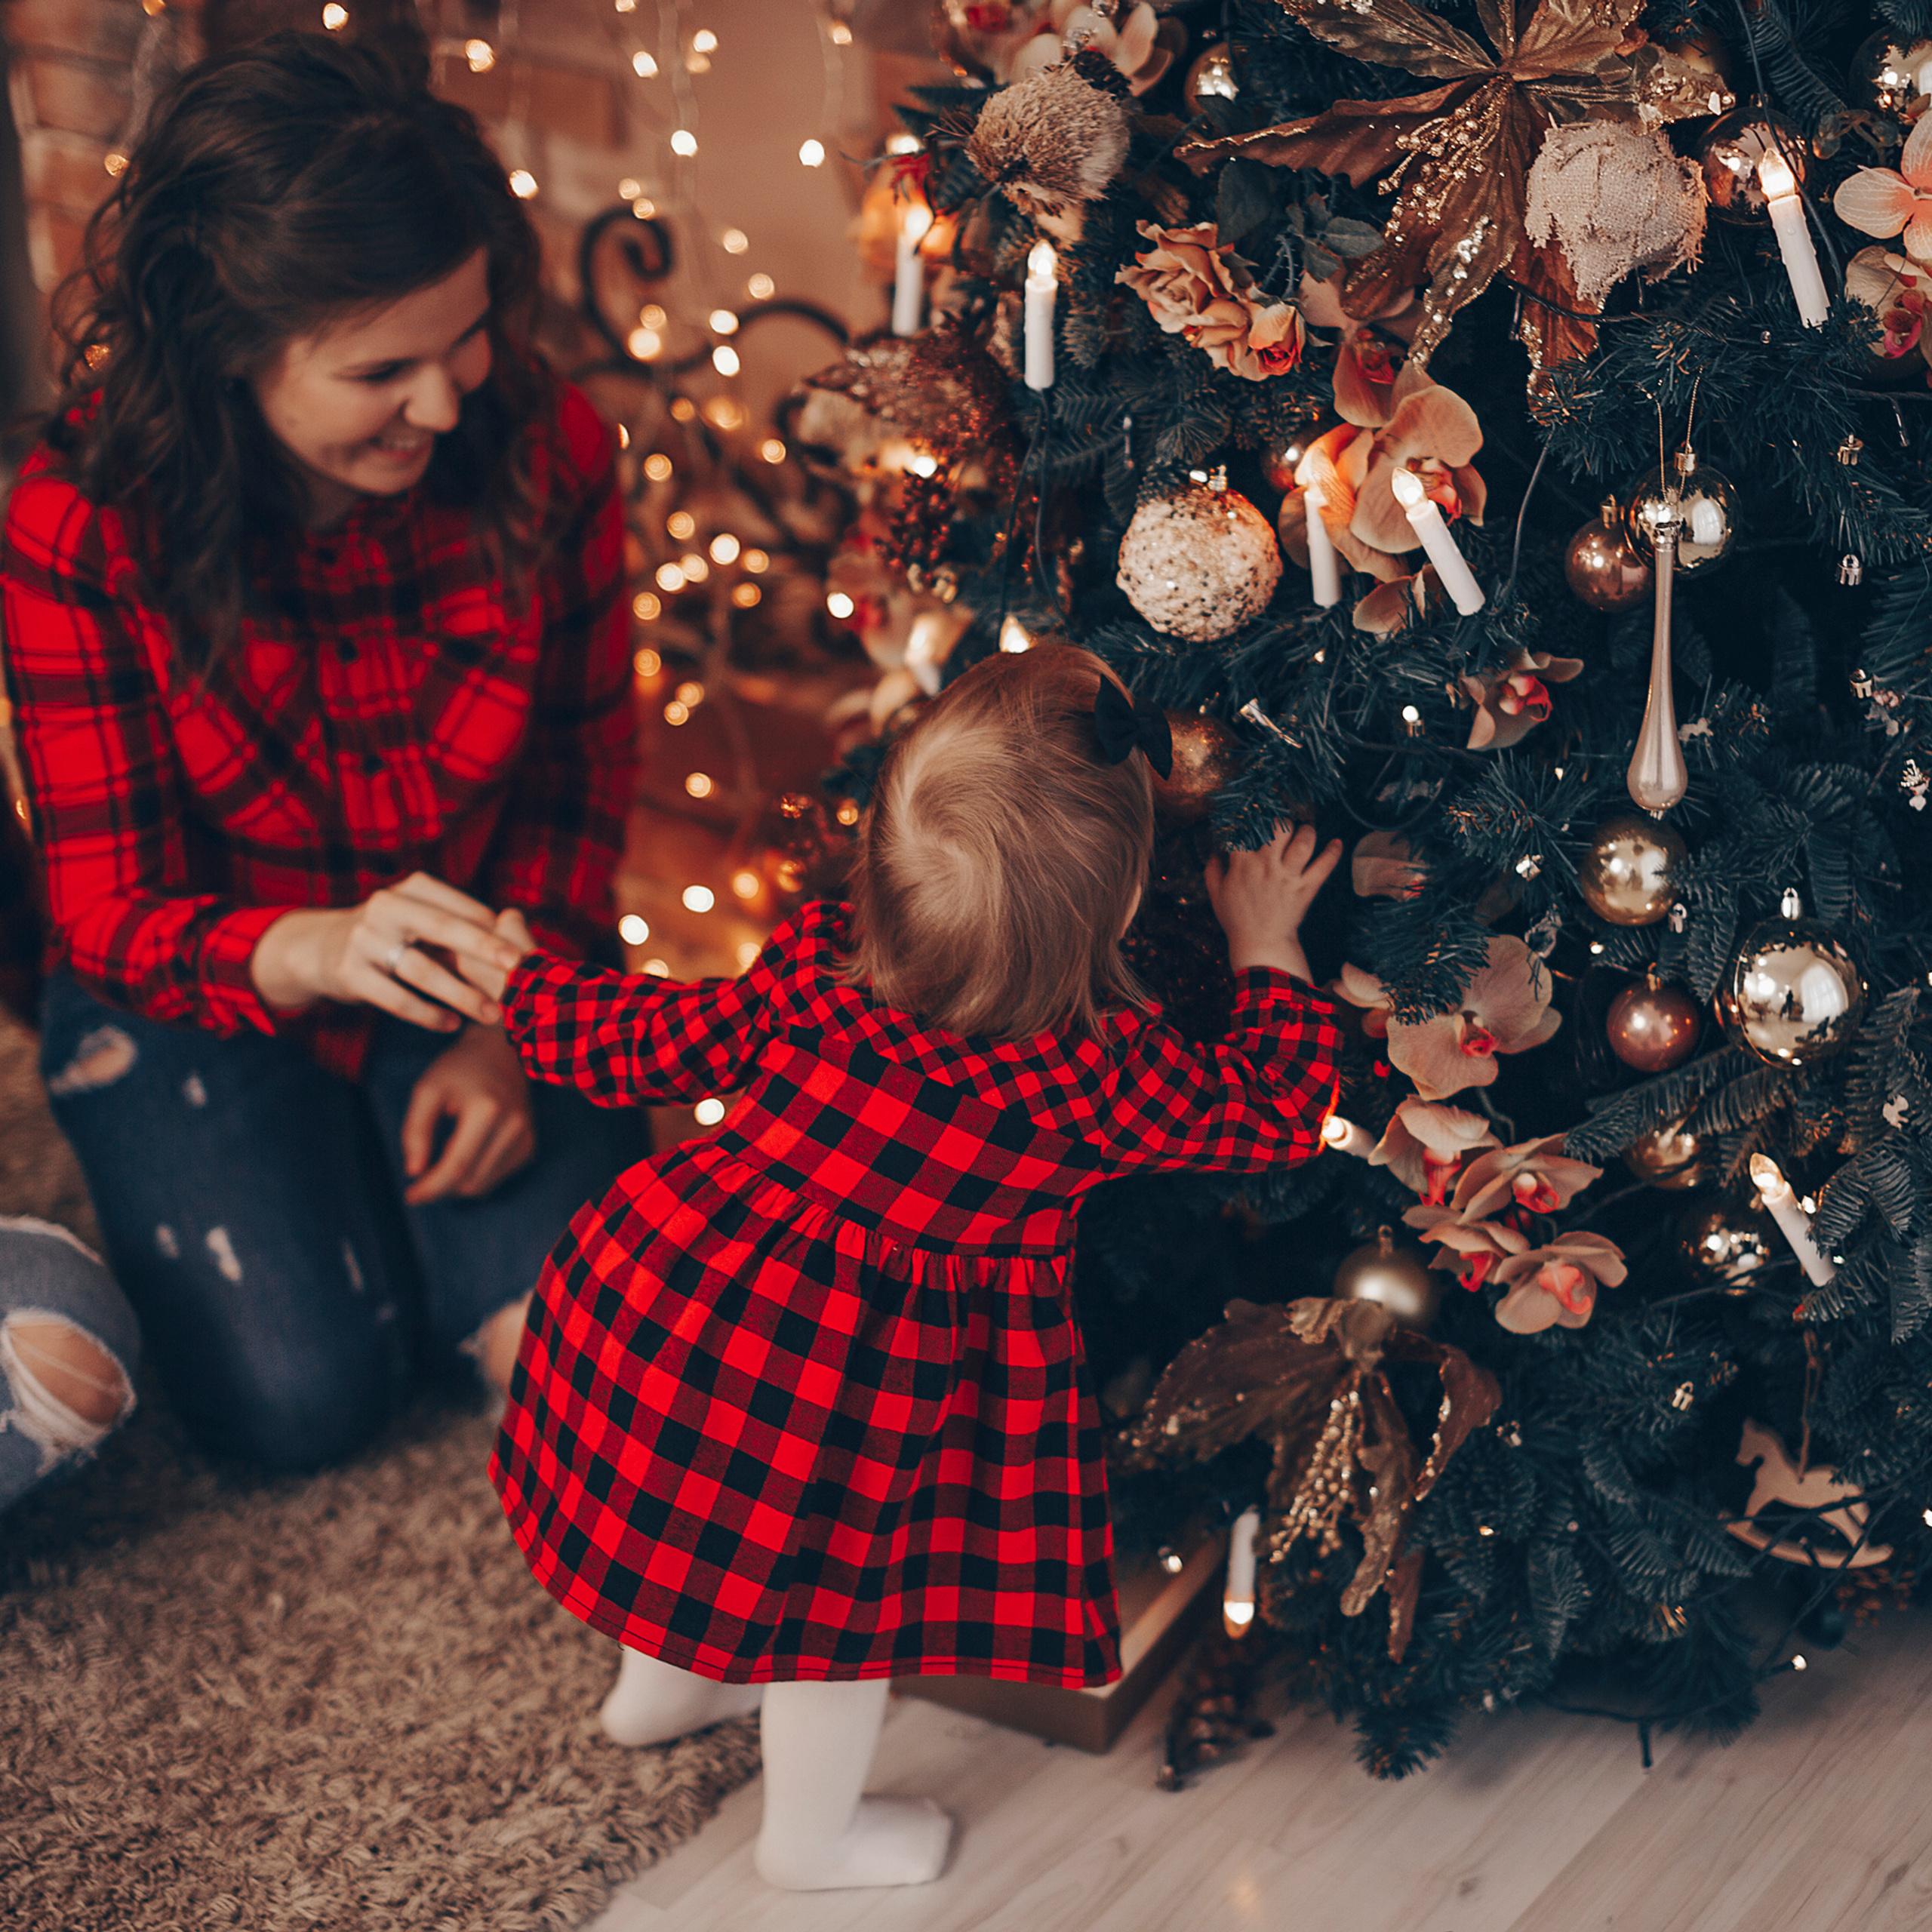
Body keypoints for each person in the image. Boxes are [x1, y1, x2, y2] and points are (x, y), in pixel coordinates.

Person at [459, 644, 1344, 1890]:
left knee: (688, 1519)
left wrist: (523, 988)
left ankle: (655, 1696)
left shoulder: (817, 964)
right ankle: (809, 1839)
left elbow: (645, 1039)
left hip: (679, 1299)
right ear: (1127, 897)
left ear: (880, 850)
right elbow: (1279, 1110)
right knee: (831, 1623)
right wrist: (1265, 949)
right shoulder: (1097, 1077)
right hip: (849, 1396)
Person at [0, 33, 639, 1473]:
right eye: (380, 370)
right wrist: (320, 952)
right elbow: (105, 909)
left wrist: (512, 1029)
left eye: (468, 333)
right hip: (197, 976)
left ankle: (403, 1200)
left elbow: (579, 778)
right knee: (298, 1406)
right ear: (231, 355)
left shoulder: (554, 454)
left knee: (594, 1360)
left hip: (482, 957)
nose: (448, 402)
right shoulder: (79, 523)